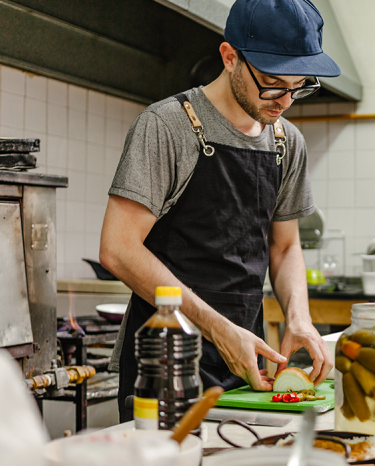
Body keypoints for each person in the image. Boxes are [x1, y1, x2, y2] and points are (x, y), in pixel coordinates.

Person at [101, 0, 341, 422]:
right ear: (230, 58)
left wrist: (299, 320)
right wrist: (216, 329)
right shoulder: (167, 127)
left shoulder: (287, 143)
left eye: (300, 85)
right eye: (272, 83)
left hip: (246, 368)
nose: (285, 101)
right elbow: (118, 249)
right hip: (164, 367)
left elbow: (284, 249)